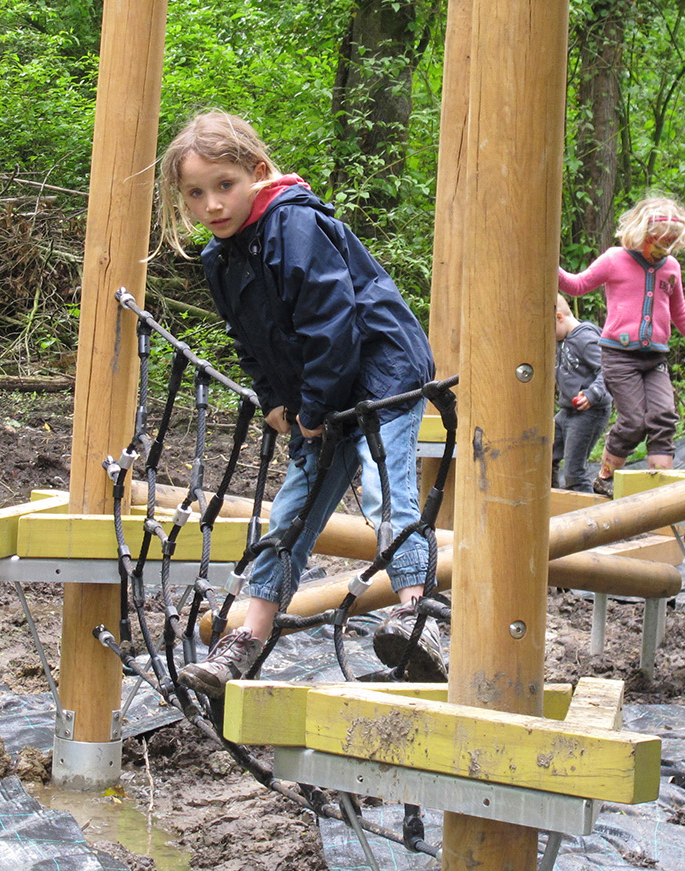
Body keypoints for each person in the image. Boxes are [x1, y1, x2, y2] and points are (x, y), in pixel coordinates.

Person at [156, 111, 443, 696]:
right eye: (195, 193)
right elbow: (248, 337)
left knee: (386, 486)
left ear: (257, 173)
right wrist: (276, 400)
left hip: (381, 371)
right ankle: (247, 638)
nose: (212, 204)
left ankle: (415, 616)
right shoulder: (220, 257)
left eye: (224, 186)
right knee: (290, 512)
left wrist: (311, 406)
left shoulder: (294, 224)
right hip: (320, 386)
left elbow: (331, 321)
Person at [558, 195, 685, 497]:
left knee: (664, 417)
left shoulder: (671, 268)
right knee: (635, 421)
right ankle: (605, 476)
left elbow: (680, 312)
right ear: (640, 235)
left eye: (671, 244)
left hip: (655, 359)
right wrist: (550, 266)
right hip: (619, 357)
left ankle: (660, 488)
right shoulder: (614, 259)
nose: (664, 250)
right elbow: (578, 285)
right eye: (659, 242)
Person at [553, 293, 612, 491]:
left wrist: (592, 394)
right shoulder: (563, 339)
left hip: (589, 414)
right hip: (566, 412)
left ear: (559, 317)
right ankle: (549, 506)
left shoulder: (586, 338)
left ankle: (587, 518)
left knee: (574, 473)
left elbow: (609, 369)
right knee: (544, 456)